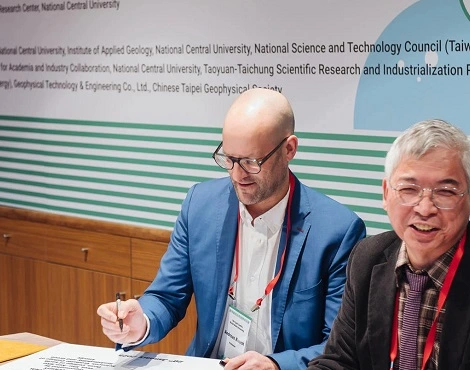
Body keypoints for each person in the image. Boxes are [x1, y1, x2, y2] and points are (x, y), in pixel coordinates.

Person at [97, 88, 366, 370]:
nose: (238, 175)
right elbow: (167, 296)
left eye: (251, 162)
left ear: (289, 149)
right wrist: (142, 321)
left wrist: (276, 365)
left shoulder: (337, 231)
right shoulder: (200, 205)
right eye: (229, 159)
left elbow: (338, 347)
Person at [308, 119, 470, 370]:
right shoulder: (367, 258)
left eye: (445, 191)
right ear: (385, 193)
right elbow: (338, 361)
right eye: (409, 189)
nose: (425, 209)